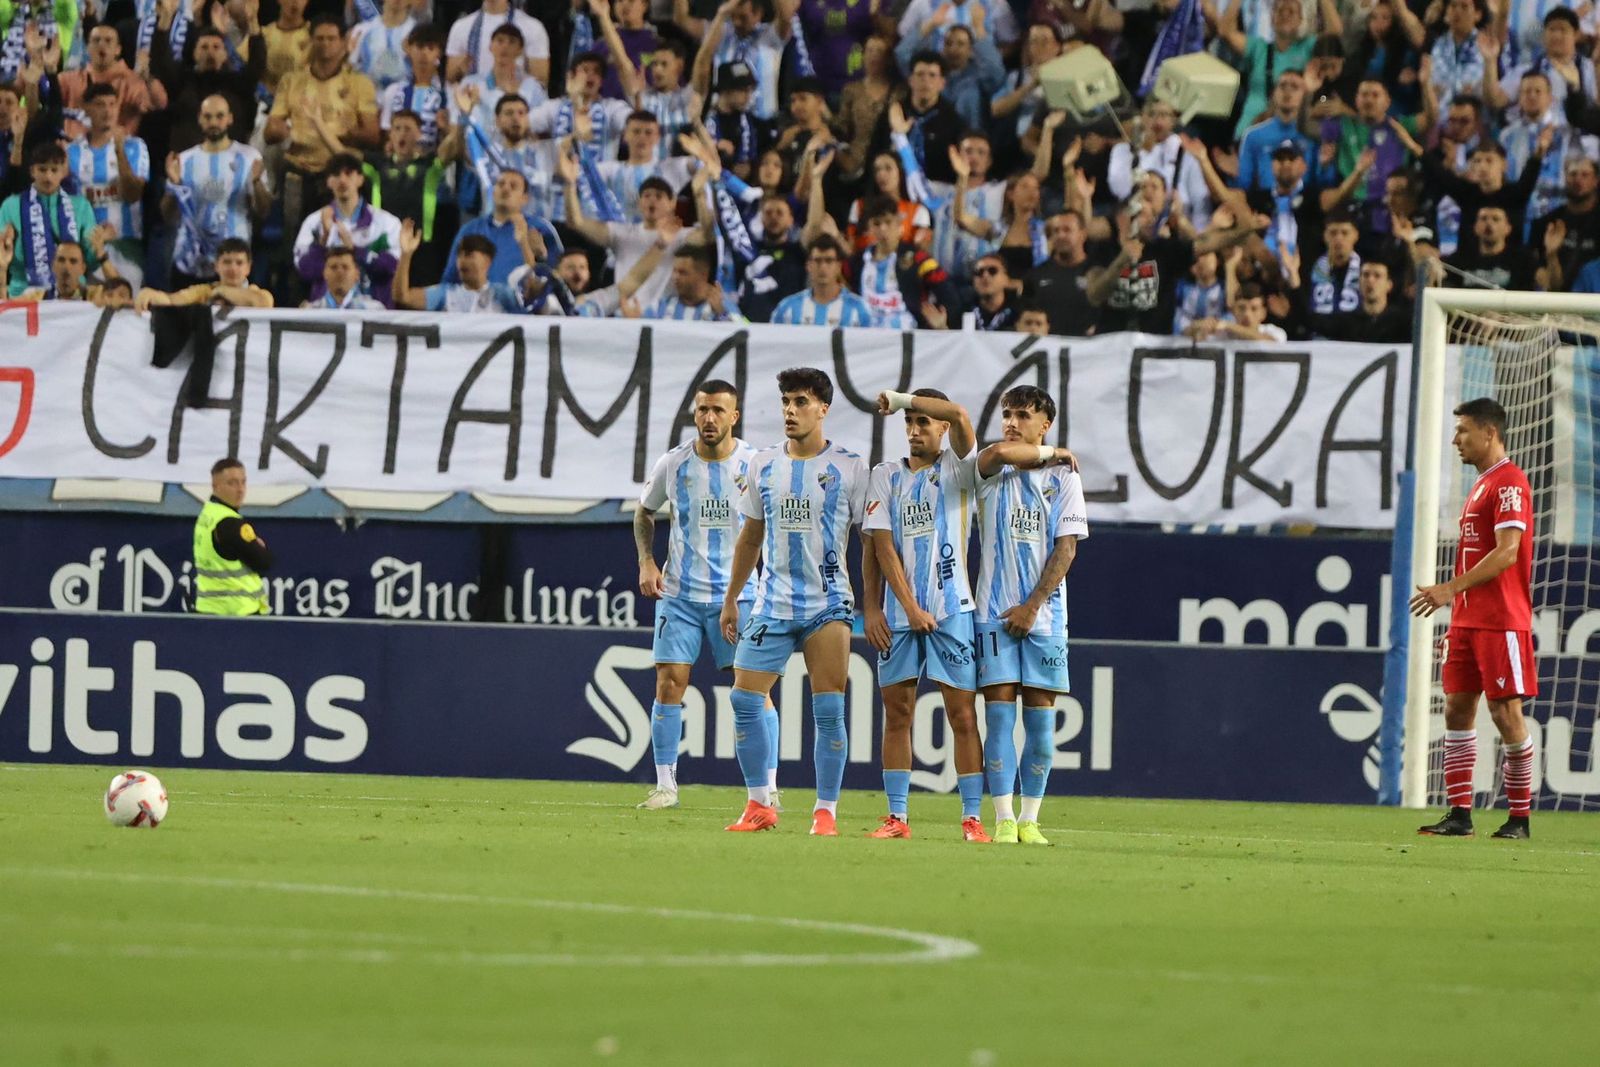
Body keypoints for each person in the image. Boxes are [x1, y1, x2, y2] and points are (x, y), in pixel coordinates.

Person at [719, 367, 869, 836]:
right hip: (771, 602)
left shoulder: (849, 466)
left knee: (828, 711)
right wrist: (731, 600)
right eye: (786, 401)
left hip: (828, 604)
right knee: (745, 698)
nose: (790, 410)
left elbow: (872, 541)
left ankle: (825, 810)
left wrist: (875, 604)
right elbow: (750, 538)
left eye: (801, 401)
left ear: (823, 409)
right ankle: (759, 803)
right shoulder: (761, 463)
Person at [861, 388, 990, 842]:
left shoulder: (959, 469)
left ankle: (972, 819)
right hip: (899, 616)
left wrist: (899, 399)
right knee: (897, 714)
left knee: (963, 716)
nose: (914, 431)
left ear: (941, 429)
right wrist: (875, 607)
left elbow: (959, 410)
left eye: (922, 423)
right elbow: (879, 545)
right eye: (908, 423)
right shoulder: (884, 475)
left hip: (952, 609)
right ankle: (897, 817)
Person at [634, 381, 768, 809]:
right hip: (681, 594)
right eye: (702, 410)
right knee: (669, 683)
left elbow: (771, 524)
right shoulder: (674, 463)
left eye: (717, 411)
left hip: (740, 595)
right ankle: (666, 785)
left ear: (734, 416)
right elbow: (644, 510)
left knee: (754, 692)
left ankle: (769, 786)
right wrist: (646, 561)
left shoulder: (754, 464)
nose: (708, 418)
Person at [1410, 398, 1537, 840]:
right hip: (1466, 621)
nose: (1455, 439)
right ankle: (1460, 815)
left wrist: (1450, 588)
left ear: (1489, 432)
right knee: (1457, 709)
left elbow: (1507, 553)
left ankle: (1519, 818)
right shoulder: (1482, 484)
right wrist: (1457, 599)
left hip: (1500, 620)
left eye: (1463, 430)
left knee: (1505, 713)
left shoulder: (1509, 484)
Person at [974, 385, 1087, 844]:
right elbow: (998, 451)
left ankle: (1030, 819)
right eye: (1007, 413)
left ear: (1044, 424)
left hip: (1044, 618)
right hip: (993, 612)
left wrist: (1033, 605)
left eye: (1023, 415)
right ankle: (1002, 818)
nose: (1012, 422)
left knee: (1040, 723)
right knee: (999, 718)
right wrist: (1056, 450)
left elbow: (1066, 548)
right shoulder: (990, 469)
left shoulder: (1064, 480)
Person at [164, 96, 271, 289]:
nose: (213, 122)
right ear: (200, 119)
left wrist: (256, 183)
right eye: (208, 116)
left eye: (219, 116)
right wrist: (174, 185)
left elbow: (263, 211)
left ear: (230, 118)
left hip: (233, 265)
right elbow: (168, 215)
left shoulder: (249, 158)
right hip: (189, 262)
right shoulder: (184, 160)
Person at [293, 154, 404, 307]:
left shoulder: (386, 223)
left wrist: (356, 251)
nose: (342, 180)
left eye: (348, 173)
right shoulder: (314, 222)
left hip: (374, 313)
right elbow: (305, 271)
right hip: (325, 313)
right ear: (329, 182)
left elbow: (392, 268)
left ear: (360, 179)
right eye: (336, 175)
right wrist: (323, 241)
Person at [67, 84, 148, 285]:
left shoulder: (135, 146)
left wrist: (119, 151)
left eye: (112, 104)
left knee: (127, 310)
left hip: (126, 246)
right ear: (85, 108)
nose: (107, 110)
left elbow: (133, 194)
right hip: (88, 247)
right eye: (100, 104)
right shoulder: (72, 152)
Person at [0, 143, 99, 297]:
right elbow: (3, 256)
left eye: (54, 170)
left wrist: (98, 247)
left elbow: (91, 261)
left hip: (73, 297)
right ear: (32, 171)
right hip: (22, 295)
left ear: (63, 172)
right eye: (42, 169)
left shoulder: (81, 206)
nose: (48, 176)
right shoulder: (11, 206)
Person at [193, 457, 273, 617]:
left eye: (243, 482)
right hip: (238, 614)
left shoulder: (207, 514)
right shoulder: (230, 524)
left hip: (208, 609)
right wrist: (259, 546)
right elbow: (265, 562)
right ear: (215, 486)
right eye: (232, 483)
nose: (240, 489)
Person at [393, 220, 529, 312]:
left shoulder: (502, 295)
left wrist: (524, 245)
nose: (462, 260)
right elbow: (402, 297)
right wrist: (406, 254)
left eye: (469, 254)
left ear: (487, 260)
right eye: (459, 255)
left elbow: (535, 299)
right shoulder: (446, 294)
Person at [137, 238, 275, 309]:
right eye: (227, 262)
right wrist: (150, 294)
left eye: (239, 263)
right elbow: (172, 301)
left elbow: (264, 303)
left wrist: (222, 291)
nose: (233, 269)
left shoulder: (257, 293)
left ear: (248, 268)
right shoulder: (204, 291)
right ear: (216, 266)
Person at [1024, 210, 1098, 337]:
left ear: (1083, 234)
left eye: (1067, 230)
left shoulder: (1098, 272)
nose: (1060, 235)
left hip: (1088, 351)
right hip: (1048, 351)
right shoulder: (1036, 275)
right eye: (1056, 231)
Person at [771, 236, 873, 325]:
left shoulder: (860, 310)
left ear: (838, 266)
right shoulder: (787, 308)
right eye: (817, 261)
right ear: (808, 266)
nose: (823, 267)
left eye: (829, 261)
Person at [446, 0, 552, 85]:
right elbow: (450, 77)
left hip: (515, 102)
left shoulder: (532, 27)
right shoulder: (461, 27)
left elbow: (540, 79)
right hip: (474, 103)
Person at [644, 243, 742, 320]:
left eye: (682, 272)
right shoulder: (659, 308)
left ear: (703, 274)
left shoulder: (724, 307)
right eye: (674, 271)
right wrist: (634, 322)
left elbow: (742, 338)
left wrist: (721, 313)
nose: (675, 277)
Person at [304, 247, 384, 309]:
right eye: (333, 267)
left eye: (345, 267)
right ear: (325, 273)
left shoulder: (374, 310)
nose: (340, 272)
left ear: (357, 274)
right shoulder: (311, 311)